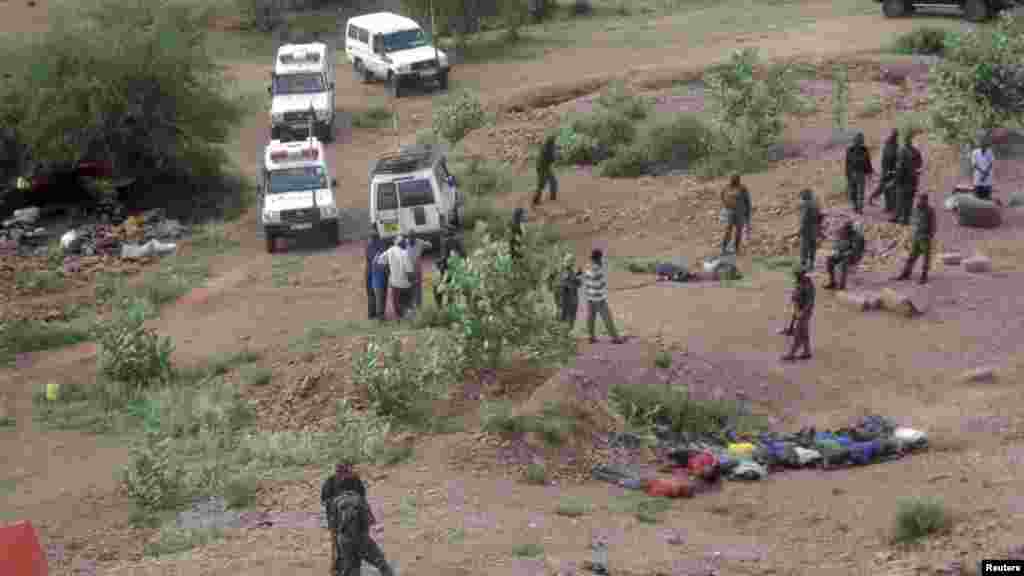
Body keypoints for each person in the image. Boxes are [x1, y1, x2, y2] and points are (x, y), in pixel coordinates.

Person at [321, 461, 395, 576]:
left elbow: (328, 510)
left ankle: (336, 572)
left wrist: (336, 529)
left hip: (342, 536)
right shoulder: (358, 498)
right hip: (360, 536)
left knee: (349, 564)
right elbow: (369, 519)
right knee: (380, 561)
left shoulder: (334, 494)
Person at [583, 248, 624, 344]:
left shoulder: (587, 266)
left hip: (589, 296)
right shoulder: (598, 269)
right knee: (607, 317)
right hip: (599, 298)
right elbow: (601, 283)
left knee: (590, 317)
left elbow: (586, 280)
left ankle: (591, 337)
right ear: (599, 258)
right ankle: (615, 338)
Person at [894, 193, 935, 285]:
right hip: (916, 236)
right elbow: (913, 221)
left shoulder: (930, 211)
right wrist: (911, 233)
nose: (920, 201)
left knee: (926, 258)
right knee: (911, 256)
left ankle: (924, 275)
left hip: (924, 237)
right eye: (919, 199)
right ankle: (906, 273)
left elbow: (933, 225)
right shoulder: (916, 209)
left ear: (926, 200)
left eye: (922, 199)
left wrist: (930, 235)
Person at [781, 265, 815, 362]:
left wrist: (801, 313)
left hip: (804, 312)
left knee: (799, 334)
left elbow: (809, 302)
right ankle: (807, 351)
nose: (795, 276)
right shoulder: (800, 282)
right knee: (804, 332)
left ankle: (791, 354)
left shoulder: (808, 285)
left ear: (801, 274)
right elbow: (796, 294)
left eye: (797, 274)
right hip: (799, 309)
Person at [376, 236, 413, 320]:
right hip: (405, 284)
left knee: (397, 304)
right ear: (401, 243)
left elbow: (379, 262)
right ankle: (407, 317)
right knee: (407, 303)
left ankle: (401, 318)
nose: (406, 244)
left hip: (394, 283)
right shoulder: (405, 253)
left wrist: (388, 272)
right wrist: (413, 281)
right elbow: (409, 271)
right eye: (404, 242)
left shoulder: (390, 250)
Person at [891, 131, 923, 226]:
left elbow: (899, 167)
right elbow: (920, 164)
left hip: (903, 179)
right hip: (913, 180)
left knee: (900, 199)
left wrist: (896, 180)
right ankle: (906, 219)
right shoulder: (916, 151)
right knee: (909, 201)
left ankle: (897, 217)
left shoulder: (902, 151)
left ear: (905, 141)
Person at [824, 220, 865, 291]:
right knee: (829, 260)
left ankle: (842, 285)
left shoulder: (857, 237)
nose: (844, 231)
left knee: (844, 264)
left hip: (853, 256)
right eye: (844, 228)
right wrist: (836, 251)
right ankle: (832, 282)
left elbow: (855, 250)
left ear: (851, 229)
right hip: (841, 253)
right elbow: (837, 244)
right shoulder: (841, 233)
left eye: (847, 229)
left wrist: (845, 253)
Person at [720, 173, 752, 256]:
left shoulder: (742, 188)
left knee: (738, 231)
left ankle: (736, 249)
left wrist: (747, 214)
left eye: (736, 178)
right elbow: (722, 197)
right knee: (728, 231)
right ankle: (724, 248)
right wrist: (726, 207)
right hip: (729, 212)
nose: (734, 180)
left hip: (740, 213)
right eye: (733, 178)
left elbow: (747, 201)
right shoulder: (726, 188)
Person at [870, 128, 900, 212]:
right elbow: (885, 158)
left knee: (890, 188)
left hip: (892, 170)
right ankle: (872, 198)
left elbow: (896, 158)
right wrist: (886, 170)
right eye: (894, 135)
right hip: (887, 169)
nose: (895, 137)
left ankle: (890, 206)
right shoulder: (888, 145)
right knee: (884, 187)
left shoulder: (896, 145)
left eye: (896, 135)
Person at [845, 132, 874, 214]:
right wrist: (847, 175)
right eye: (857, 140)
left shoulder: (864, 150)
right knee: (853, 192)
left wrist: (870, 173)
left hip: (861, 173)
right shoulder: (850, 150)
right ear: (854, 141)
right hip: (852, 173)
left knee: (860, 192)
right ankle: (855, 206)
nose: (858, 142)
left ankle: (859, 208)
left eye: (860, 140)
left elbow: (868, 162)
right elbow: (847, 163)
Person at [405, 236, 433, 310]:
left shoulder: (419, 242)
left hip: (417, 268)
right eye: (410, 240)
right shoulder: (405, 241)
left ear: (415, 239)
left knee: (418, 288)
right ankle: (411, 305)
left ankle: (418, 305)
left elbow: (430, 245)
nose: (411, 242)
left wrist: (427, 242)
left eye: (412, 241)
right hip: (408, 268)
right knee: (409, 287)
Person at [555, 253, 583, 328]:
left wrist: (577, 276)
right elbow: (574, 283)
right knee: (567, 317)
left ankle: (563, 331)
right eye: (570, 261)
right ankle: (564, 332)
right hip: (567, 299)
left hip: (565, 299)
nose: (571, 264)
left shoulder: (563, 271)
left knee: (563, 316)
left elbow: (576, 282)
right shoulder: (566, 272)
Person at [798, 189, 821, 270]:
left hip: (806, 230)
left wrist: (800, 230)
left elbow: (803, 219)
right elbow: (820, 217)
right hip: (814, 230)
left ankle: (803, 265)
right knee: (812, 248)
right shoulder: (816, 204)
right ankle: (811, 264)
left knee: (804, 248)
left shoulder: (805, 205)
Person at [532, 133, 558, 206]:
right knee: (542, 185)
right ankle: (536, 200)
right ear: (551, 143)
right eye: (554, 142)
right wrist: (556, 154)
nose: (555, 143)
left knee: (553, 181)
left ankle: (553, 197)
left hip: (544, 167)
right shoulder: (547, 149)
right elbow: (552, 159)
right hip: (542, 168)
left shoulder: (546, 146)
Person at [365, 230, 386, 320]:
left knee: (371, 294)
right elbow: (377, 260)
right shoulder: (382, 246)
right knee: (380, 294)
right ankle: (379, 315)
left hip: (369, 273)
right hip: (378, 274)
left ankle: (372, 313)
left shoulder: (369, 246)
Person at [971, 133, 994, 201]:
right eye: (982, 143)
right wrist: (982, 172)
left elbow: (991, 163)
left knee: (987, 196)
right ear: (980, 144)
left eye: (985, 144)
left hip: (987, 176)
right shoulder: (975, 152)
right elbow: (974, 164)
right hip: (978, 176)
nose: (984, 145)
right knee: (977, 196)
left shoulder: (989, 152)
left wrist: (986, 172)